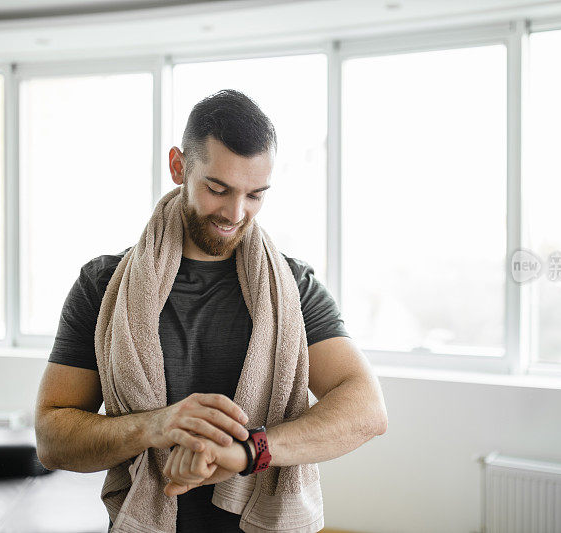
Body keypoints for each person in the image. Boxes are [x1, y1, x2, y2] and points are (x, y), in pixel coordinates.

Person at [34, 89, 388, 532]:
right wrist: (156, 426)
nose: (236, 213)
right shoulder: (103, 285)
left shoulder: (292, 288)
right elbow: (51, 438)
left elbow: (367, 410)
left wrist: (248, 452)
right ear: (179, 166)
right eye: (218, 189)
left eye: (255, 195)